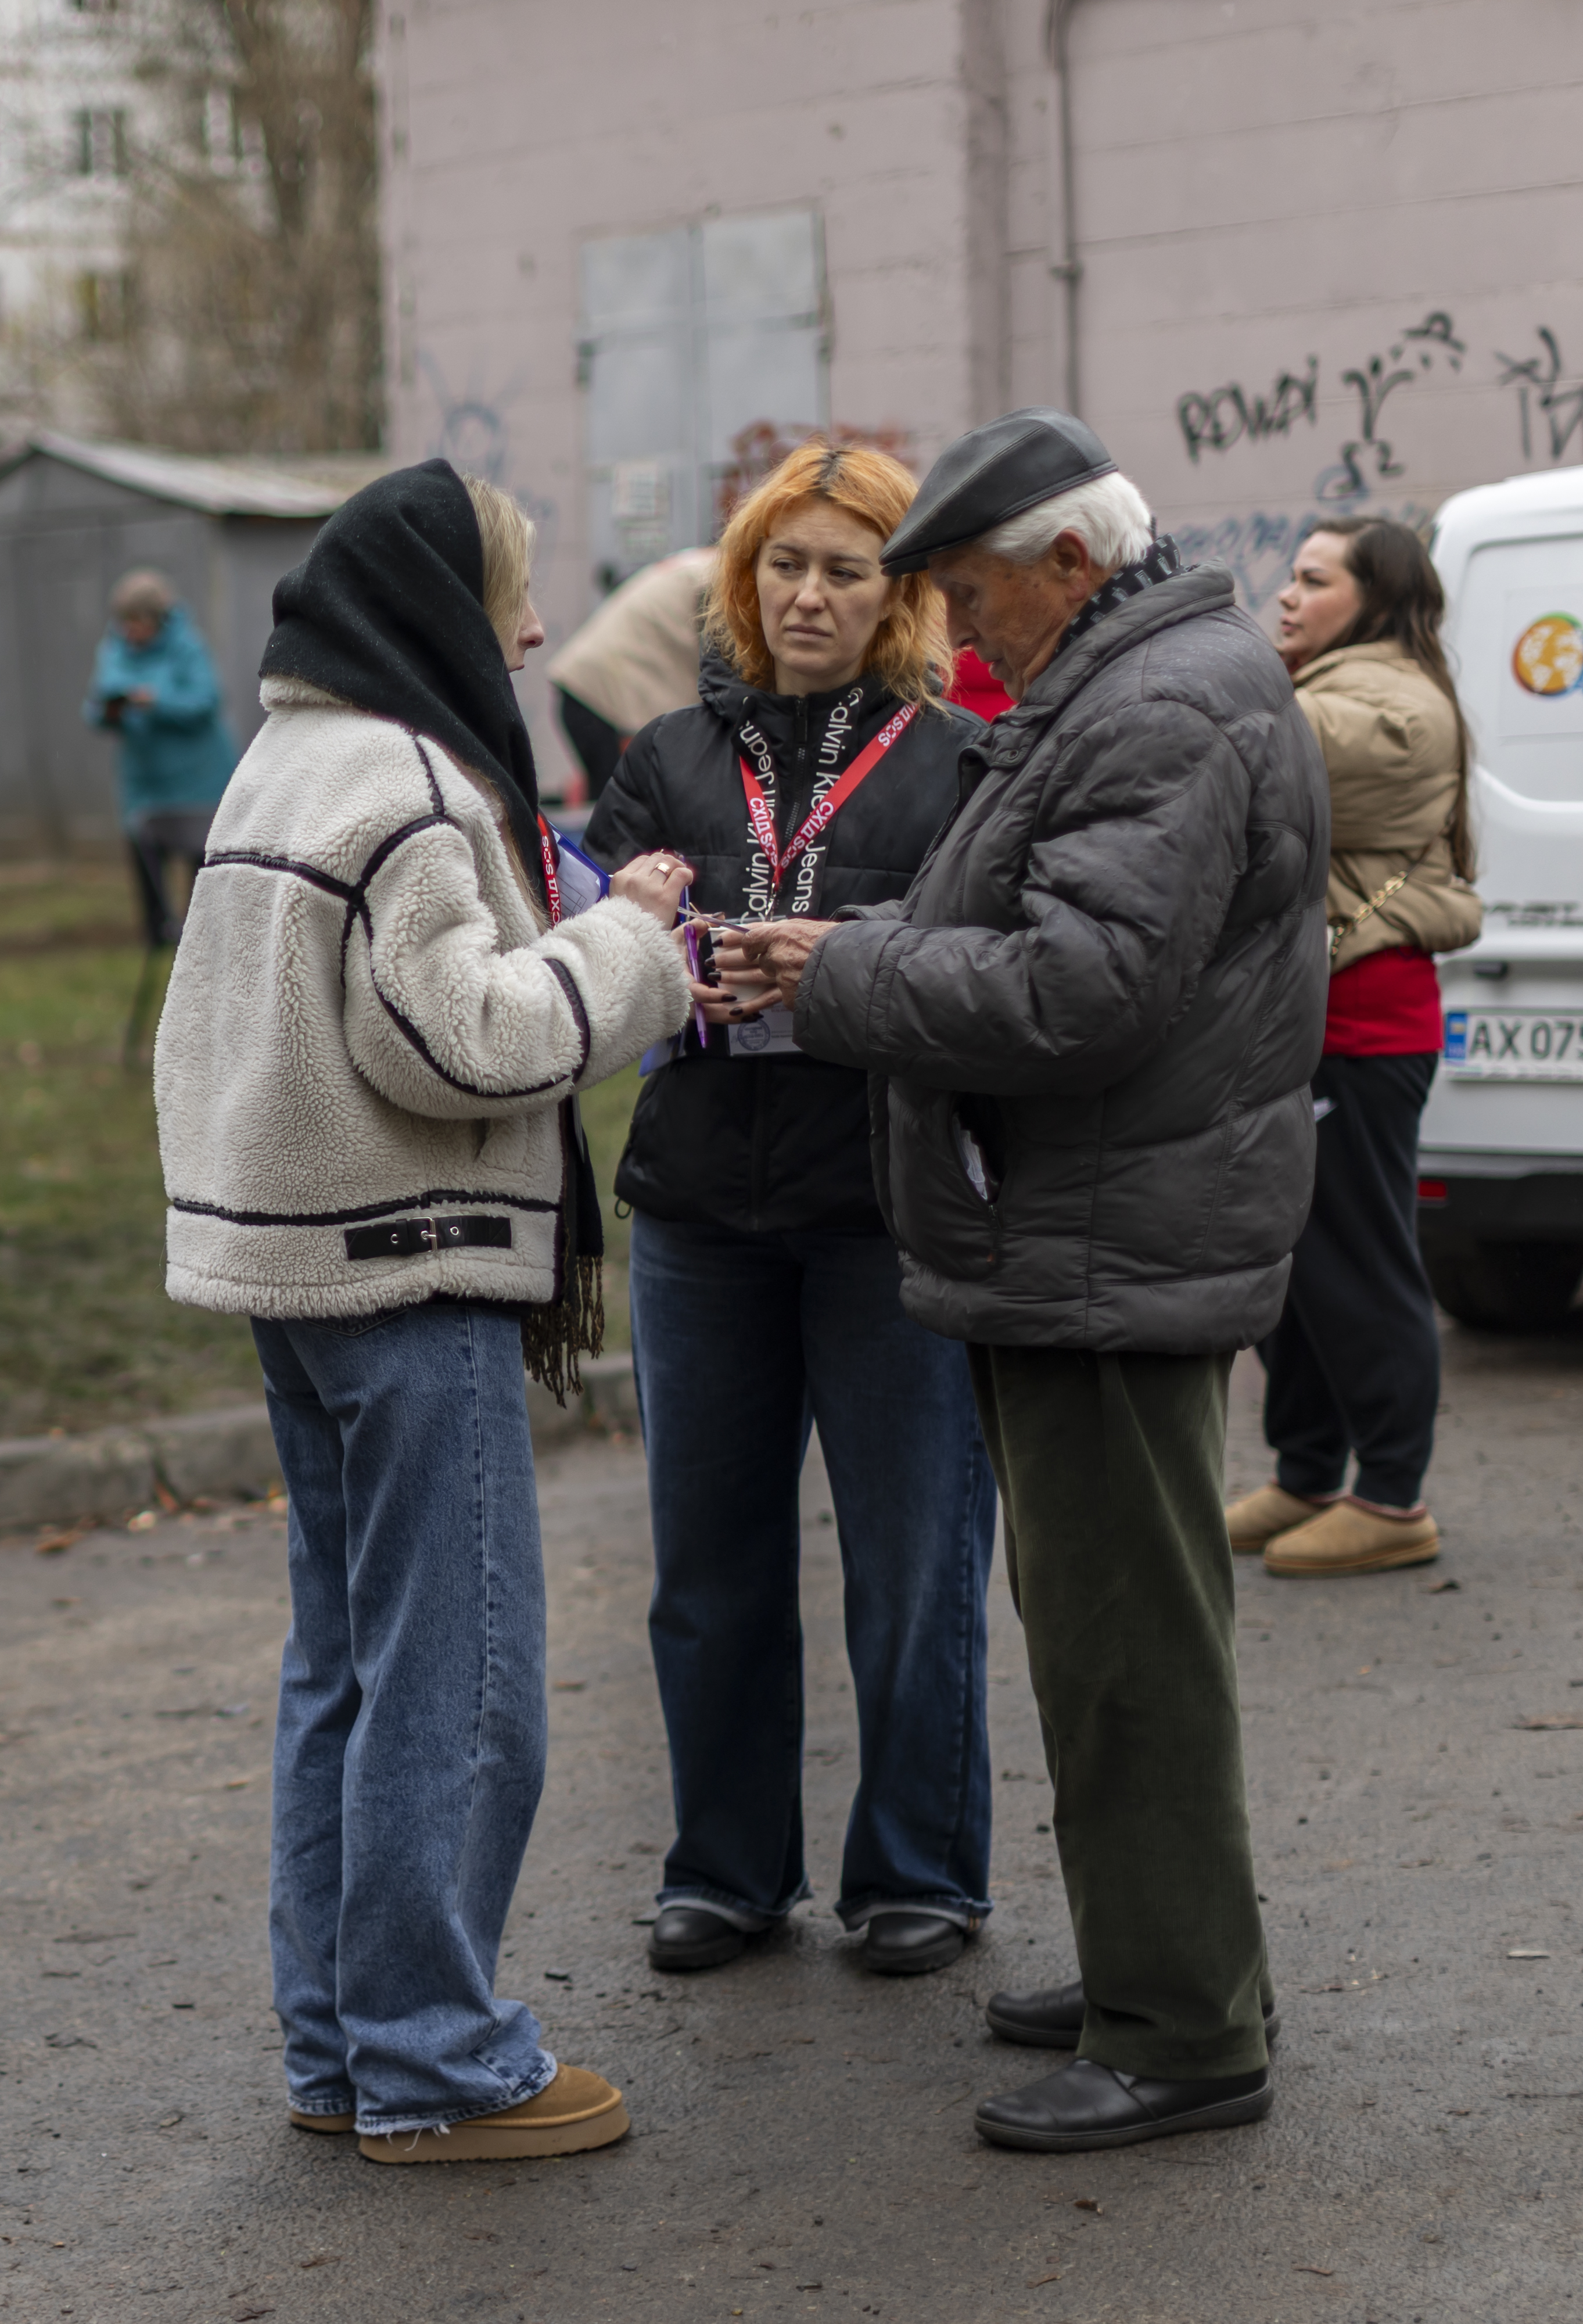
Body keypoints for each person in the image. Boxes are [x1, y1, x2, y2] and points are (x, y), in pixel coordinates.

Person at [714, 408, 1326, 2153]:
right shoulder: (1141, 683)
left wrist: (836, 981)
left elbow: (1072, 993)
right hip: (1092, 1231)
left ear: (1070, 562)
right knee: (1115, 1636)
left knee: (1127, 1649)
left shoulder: (1154, 704)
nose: (960, 634)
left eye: (973, 595)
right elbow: (1032, 934)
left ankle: (1183, 2032)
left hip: (1102, 1238)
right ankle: (1170, 1960)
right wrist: (867, 952)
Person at [155, 459, 703, 2164]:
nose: (534, 630)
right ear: (435, 613)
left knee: (344, 1663)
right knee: (458, 1680)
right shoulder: (404, 782)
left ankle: (338, 2040)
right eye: (507, 599)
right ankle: (436, 2056)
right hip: (405, 1264)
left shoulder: (282, 757)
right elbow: (456, 1033)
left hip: (289, 1266)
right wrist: (628, 943)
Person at [581, 441, 999, 1982]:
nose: (808, 594)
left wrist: (840, 952)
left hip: (887, 1205)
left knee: (913, 1557)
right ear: (742, 583)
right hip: (699, 1207)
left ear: (897, 593)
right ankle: (726, 1871)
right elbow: (600, 949)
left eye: (843, 567)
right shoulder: (670, 753)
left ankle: (918, 1874)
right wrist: (653, 953)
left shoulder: (960, 760)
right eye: (782, 565)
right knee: (711, 1565)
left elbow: (991, 962)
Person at [1233, 520, 1482, 1581]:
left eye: (1313, 580)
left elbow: (1256, 755)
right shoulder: (1325, 686)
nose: (1286, 597)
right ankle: (1306, 1470)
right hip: (1306, 1020)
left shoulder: (1394, 709)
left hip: (1362, 1024)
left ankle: (1392, 1496)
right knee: (1289, 1263)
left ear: (1377, 599)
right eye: (1288, 577)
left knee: (1357, 1259)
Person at [84, 569, 237, 948]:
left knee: (201, 868)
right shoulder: (114, 650)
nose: (131, 630)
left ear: (158, 619)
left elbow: (205, 702)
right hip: (146, 785)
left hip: (197, 782)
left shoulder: (187, 647)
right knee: (146, 862)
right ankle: (158, 942)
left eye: (138, 621)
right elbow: (95, 706)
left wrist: (153, 701)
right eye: (126, 622)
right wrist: (111, 710)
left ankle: (204, 944)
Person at [547, 546, 716, 796]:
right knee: (619, 807)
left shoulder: (696, 565)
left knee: (609, 799)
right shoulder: (717, 577)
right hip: (601, 699)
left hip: (587, 688)